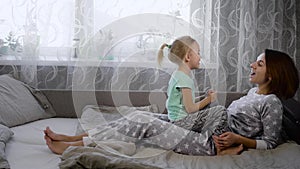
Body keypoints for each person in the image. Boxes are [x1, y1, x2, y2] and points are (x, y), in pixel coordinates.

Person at [44, 48, 299, 156]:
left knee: (146, 124)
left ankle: (73, 145)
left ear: (273, 73)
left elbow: (271, 142)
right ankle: (75, 139)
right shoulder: (252, 94)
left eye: (260, 63)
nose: (252, 64)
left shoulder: (272, 103)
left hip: (212, 142)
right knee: (139, 116)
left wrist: (237, 140)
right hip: (205, 128)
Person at [157, 36, 218, 131]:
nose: (200, 57)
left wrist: (204, 97)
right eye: (198, 53)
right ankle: (217, 143)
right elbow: (190, 108)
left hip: (175, 120)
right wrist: (209, 99)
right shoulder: (184, 79)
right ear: (188, 57)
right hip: (182, 122)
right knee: (220, 111)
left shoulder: (177, 75)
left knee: (211, 109)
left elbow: (184, 102)